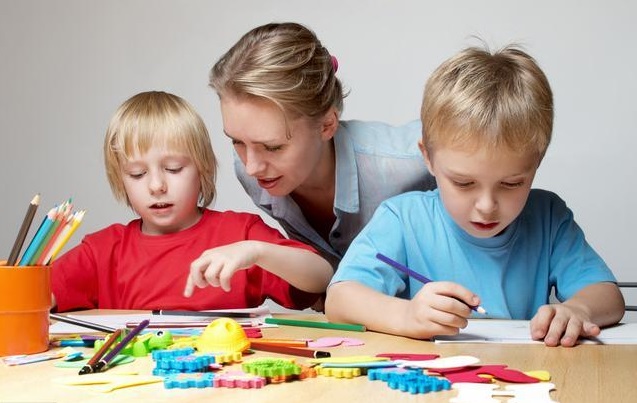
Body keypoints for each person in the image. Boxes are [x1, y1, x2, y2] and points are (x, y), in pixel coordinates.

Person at [325, 44, 625, 347]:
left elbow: (608, 295)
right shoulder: (402, 219)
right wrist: (406, 316)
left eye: (510, 184)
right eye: (464, 183)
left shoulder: (548, 217)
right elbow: (339, 300)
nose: (486, 207)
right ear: (427, 157)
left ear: (537, 162)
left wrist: (577, 309)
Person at [51, 91, 332, 312]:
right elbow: (30, 299)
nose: (157, 186)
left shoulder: (240, 234)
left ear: (203, 169)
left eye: (173, 169)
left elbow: (321, 276)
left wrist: (256, 251)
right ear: (119, 178)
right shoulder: (102, 251)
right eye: (137, 174)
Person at [209, 22, 437, 271]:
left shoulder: (407, 162)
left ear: (327, 124)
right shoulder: (252, 173)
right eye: (237, 142)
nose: (251, 167)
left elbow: (480, 133)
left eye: (272, 147)